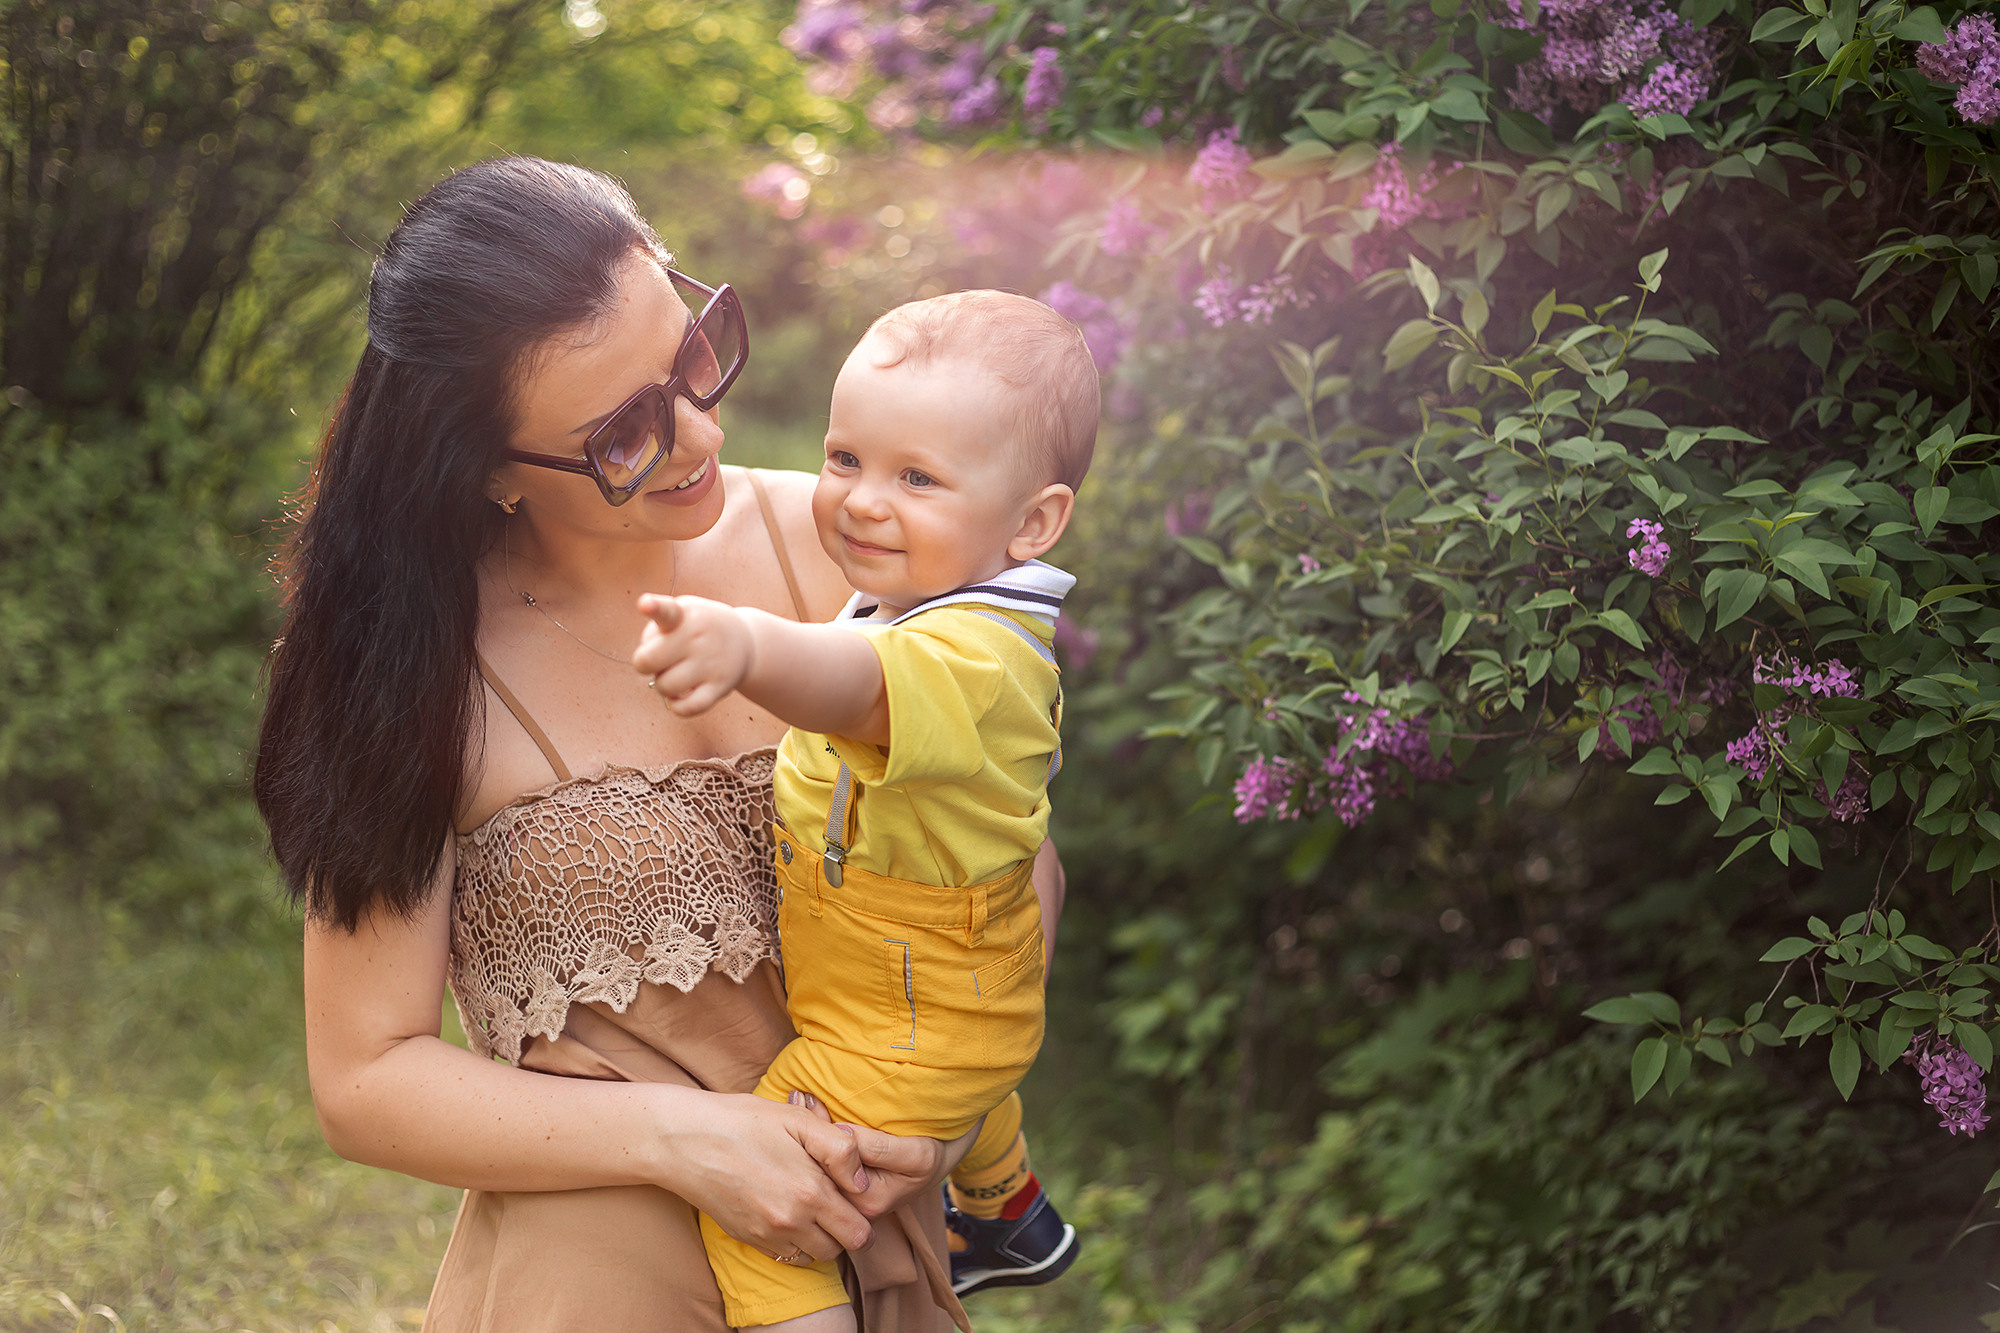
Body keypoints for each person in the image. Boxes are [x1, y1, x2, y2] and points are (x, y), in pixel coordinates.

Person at [253, 157, 1063, 1331]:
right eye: (622, 431)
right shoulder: (403, 663)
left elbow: (1009, 852)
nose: (695, 434)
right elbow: (364, 1077)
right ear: (484, 469)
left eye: (690, 357)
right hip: (594, 1262)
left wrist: (936, 1102)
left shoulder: (869, 543)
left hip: (857, 1228)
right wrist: (687, 1139)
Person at [631, 290, 1096, 1332]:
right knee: (972, 1062)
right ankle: (1007, 1207)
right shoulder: (921, 597)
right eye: (845, 460)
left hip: (906, 1012)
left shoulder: (972, 657)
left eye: (916, 477)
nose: (861, 501)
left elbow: (858, 685)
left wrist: (747, 647)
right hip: (944, 984)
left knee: (766, 1185)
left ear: (1031, 521)